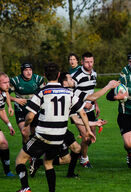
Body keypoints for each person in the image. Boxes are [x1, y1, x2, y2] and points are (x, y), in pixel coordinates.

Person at [15, 63, 96, 192]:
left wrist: (25, 125)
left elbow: (30, 116)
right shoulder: (68, 93)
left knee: (19, 160)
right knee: (48, 163)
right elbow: (83, 113)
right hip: (59, 137)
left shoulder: (42, 92)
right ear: (59, 75)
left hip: (43, 135)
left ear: (44, 76)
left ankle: (25, 188)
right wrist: (88, 130)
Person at [29, 72, 119, 178]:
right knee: (65, 159)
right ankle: (36, 163)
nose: (73, 80)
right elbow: (92, 97)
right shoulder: (66, 93)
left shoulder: (72, 92)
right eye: (71, 78)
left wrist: (95, 123)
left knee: (77, 149)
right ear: (65, 82)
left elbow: (76, 119)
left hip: (61, 129)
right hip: (51, 129)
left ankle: (69, 173)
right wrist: (108, 86)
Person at [72, 52, 100, 168]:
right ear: (82, 62)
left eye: (91, 62)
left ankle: (77, 151)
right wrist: (83, 105)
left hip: (91, 109)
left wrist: (96, 104)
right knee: (86, 136)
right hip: (78, 111)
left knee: (91, 137)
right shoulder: (76, 76)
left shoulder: (94, 74)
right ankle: (84, 159)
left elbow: (92, 91)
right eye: (87, 62)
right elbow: (71, 93)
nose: (89, 64)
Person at [10, 63, 45, 144]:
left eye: (30, 70)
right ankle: (26, 155)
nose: (29, 72)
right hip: (21, 110)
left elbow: (44, 93)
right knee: (25, 133)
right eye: (26, 70)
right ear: (22, 71)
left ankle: (32, 155)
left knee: (35, 135)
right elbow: (5, 94)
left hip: (35, 110)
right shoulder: (16, 81)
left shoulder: (38, 79)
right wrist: (15, 99)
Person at [0, 72, 15, 177]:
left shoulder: (3, 93)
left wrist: (9, 125)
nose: (7, 85)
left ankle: (7, 171)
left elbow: (1, 111)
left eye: (8, 82)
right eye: (4, 83)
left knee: (4, 144)